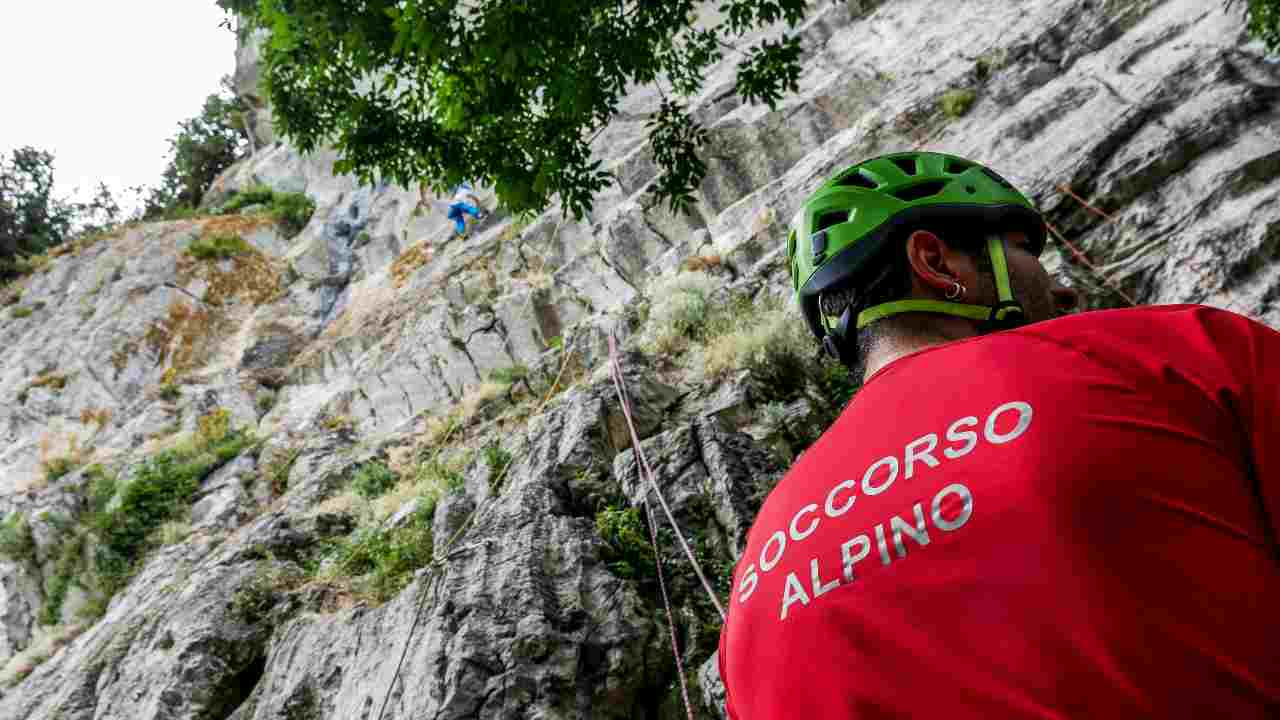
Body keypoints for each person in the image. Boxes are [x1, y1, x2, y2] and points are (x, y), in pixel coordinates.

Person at [717, 151, 1279, 718]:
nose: (1064, 293)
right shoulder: (1175, 352)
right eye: (1025, 252)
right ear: (936, 262)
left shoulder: (749, 600)